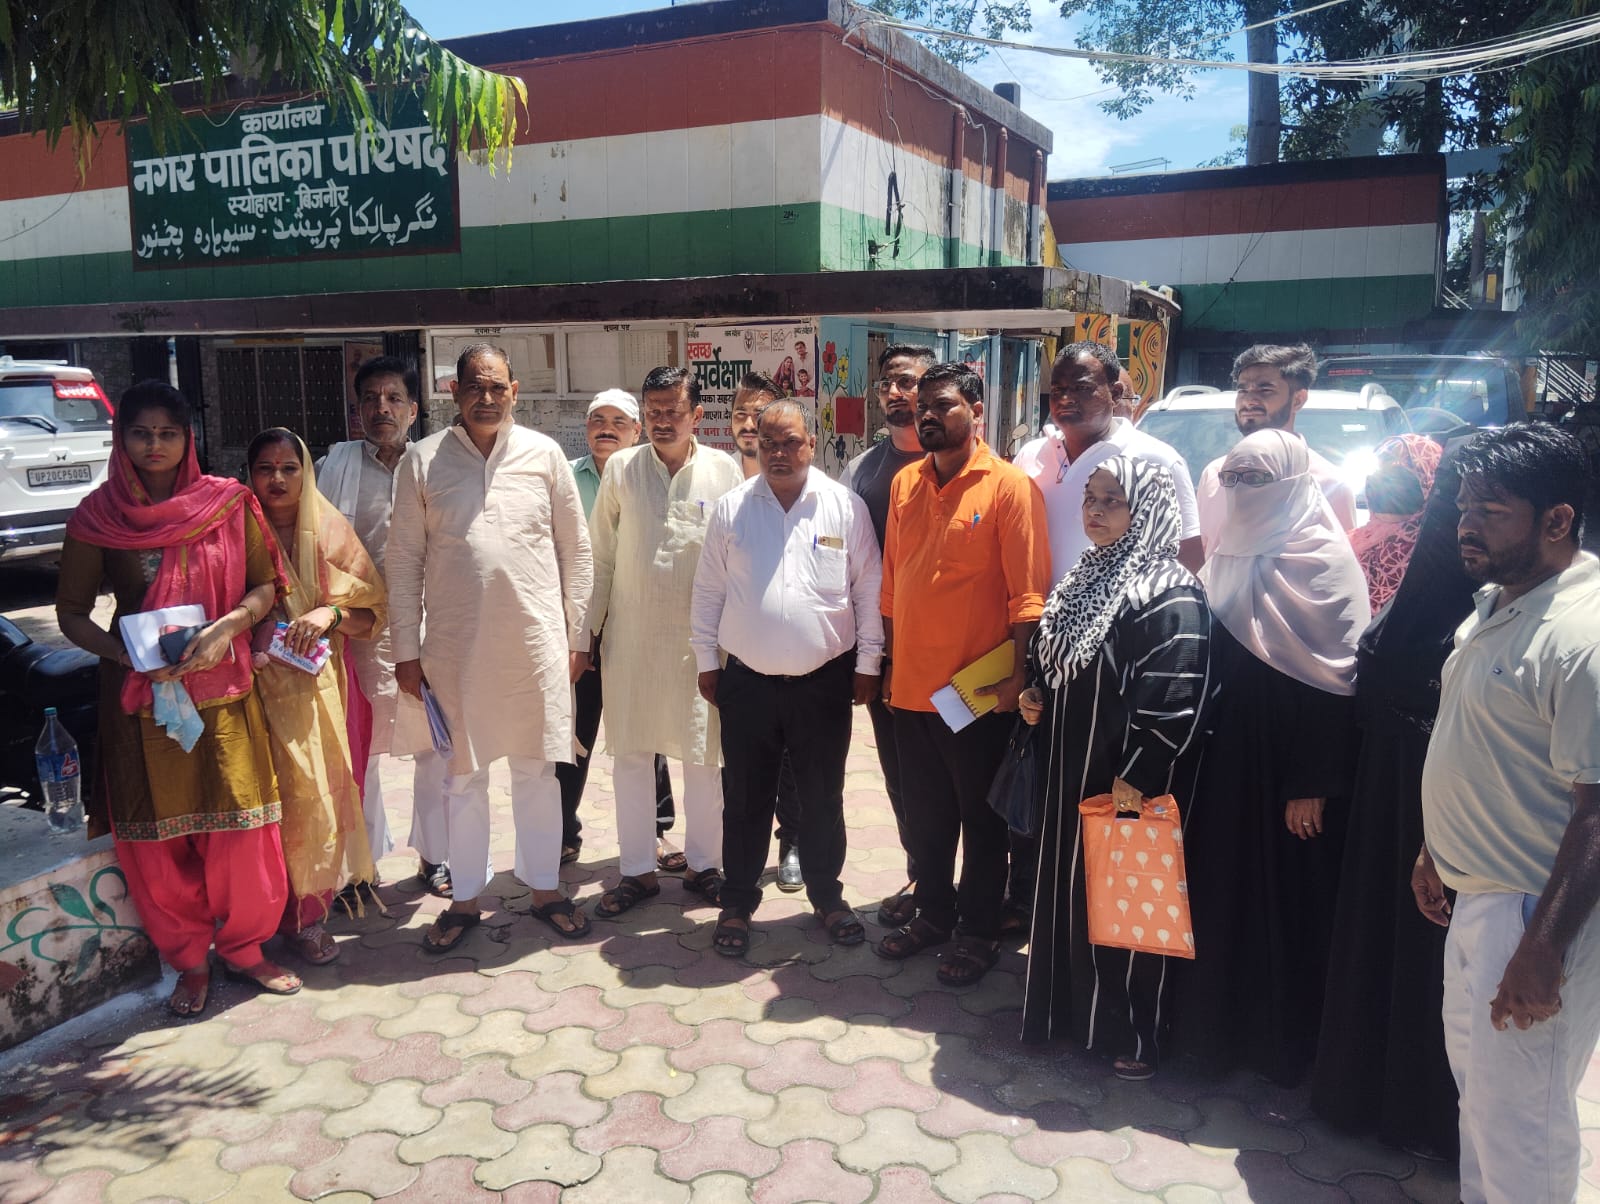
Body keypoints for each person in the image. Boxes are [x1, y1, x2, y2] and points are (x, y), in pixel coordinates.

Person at [56, 381, 299, 1016]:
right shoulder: (98, 516)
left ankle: (245, 949)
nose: (154, 445)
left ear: (187, 439)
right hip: (141, 696)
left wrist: (227, 628)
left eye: (167, 433)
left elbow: (265, 588)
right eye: (141, 433)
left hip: (224, 689)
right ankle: (189, 962)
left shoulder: (227, 503)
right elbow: (72, 613)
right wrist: (125, 655)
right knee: (157, 837)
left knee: (241, 825)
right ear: (121, 439)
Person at [1413, 424, 1600, 1203]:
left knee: (1523, 1123)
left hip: (1534, 913)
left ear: (1556, 520)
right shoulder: (1501, 600)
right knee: (1485, 1108)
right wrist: (1436, 848)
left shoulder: (1581, 637)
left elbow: (1597, 814)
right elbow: (1483, 744)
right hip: (1480, 901)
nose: (1466, 526)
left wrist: (1542, 947)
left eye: (1491, 512)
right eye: (1463, 506)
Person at [1176, 428, 1371, 1085]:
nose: (1240, 491)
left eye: (1257, 479)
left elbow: (1339, 685)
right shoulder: (1226, 555)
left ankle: (1278, 1045)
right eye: (1232, 478)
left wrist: (1313, 781)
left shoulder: (1324, 561)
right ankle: (1212, 1034)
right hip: (1226, 763)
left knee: (1285, 903)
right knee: (1221, 891)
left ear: (1293, 483)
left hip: (1292, 776)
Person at [387, 344, 594, 951]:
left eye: (497, 387)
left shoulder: (543, 454)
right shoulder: (422, 460)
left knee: (538, 771)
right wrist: (406, 651)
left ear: (515, 390)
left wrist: (578, 636)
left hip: (536, 646)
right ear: (454, 391)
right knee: (463, 777)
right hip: (456, 650)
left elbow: (575, 550)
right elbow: (404, 561)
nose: (487, 398)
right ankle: (465, 899)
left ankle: (545, 889)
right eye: (475, 387)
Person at [1018, 456, 1215, 1079]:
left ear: (1148, 508)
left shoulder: (1169, 590)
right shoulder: (1085, 573)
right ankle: (1067, 1014)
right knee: (1071, 895)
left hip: (1126, 784)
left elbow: (1176, 702)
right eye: (1090, 499)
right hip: (1068, 775)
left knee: (1126, 902)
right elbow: (1055, 662)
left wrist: (1132, 791)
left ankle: (1133, 1035)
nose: (1096, 511)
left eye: (1113, 500)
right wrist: (1035, 695)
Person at [1310, 443, 1474, 1157]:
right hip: (1385, 801)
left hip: (1442, 811)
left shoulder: (1484, 611)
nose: (1469, 526)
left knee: (1428, 961)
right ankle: (1368, 1096)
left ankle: (1423, 1115)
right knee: (1383, 946)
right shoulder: (1424, 588)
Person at [877, 363, 1050, 985]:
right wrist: (891, 665)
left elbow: (1028, 596)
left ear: (976, 410)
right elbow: (891, 587)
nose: (926, 414)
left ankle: (978, 932)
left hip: (976, 694)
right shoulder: (905, 484)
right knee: (925, 818)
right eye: (921, 404)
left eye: (942, 404)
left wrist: (1017, 678)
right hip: (912, 690)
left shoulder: (1008, 486)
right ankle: (933, 914)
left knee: (981, 821)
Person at [691, 401, 883, 955]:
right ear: (755, 444)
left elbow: (868, 589)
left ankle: (827, 897)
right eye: (768, 442)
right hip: (747, 683)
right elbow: (708, 590)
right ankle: (737, 902)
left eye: (790, 442)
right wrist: (706, 660)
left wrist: (868, 664)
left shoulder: (843, 506)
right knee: (744, 797)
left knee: (823, 796)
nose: (779, 453)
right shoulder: (732, 508)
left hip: (824, 682)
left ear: (812, 444)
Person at [588, 365, 743, 917]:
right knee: (631, 754)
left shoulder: (724, 471)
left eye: (672, 411)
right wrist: (586, 635)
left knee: (703, 755)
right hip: (631, 641)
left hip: (701, 645)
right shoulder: (622, 469)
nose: (661, 421)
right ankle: (636, 872)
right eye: (652, 411)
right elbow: (600, 557)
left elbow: (736, 559)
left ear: (696, 414)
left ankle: (705, 867)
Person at [246, 429, 385, 965]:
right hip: (248, 689)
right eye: (265, 469)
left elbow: (373, 615)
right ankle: (256, 919)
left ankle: (308, 918)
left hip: (320, 692)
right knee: (263, 804)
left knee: (317, 804)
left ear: (307, 472)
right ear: (249, 475)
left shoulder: (330, 530)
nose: (278, 479)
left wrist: (330, 613)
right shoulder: (235, 533)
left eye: (289, 468)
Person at [316, 355, 452, 899]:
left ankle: (436, 857)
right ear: (357, 410)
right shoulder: (334, 468)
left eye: (394, 398)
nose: (382, 408)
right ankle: (362, 866)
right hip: (360, 631)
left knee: (434, 747)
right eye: (370, 399)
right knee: (361, 749)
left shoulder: (438, 466)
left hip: (430, 626)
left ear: (414, 410)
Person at [562, 388, 679, 873]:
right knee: (575, 732)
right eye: (597, 420)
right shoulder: (565, 476)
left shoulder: (649, 474)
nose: (605, 429)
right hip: (581, 627)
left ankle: (656, 831)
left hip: (638, 625)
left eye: (617, 422)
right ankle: (563, 831)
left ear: (636, 431)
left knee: (646, 730)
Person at [841, 343, 935, 927]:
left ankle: (982, 889)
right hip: (888, 657)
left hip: (959, 657)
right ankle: (923, 876)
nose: (897, 393)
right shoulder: (861, 473)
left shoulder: (968, 465)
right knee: (901, 776)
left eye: (909, 382)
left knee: (961, 779)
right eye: (888, 384)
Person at [1012, 343, 1203, 578]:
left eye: (1081, 388)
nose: (1065, 398)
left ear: (1115, 393)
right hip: (1036, 603)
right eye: (1057, 389)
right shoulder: (1029, 455)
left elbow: (1188, 554)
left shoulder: (1156, 460)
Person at [727, 372, 808, 893]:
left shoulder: (814, 490)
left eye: (759, 414)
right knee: (740, 768)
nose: (749, 424)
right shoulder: (717, 479)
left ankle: (792, 842)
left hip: (799, 660)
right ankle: (739, 860)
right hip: (735, 653)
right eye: (741, 414)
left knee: (794, 764)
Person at [1194, 344, 1360, 556]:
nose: (1249, 400)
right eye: (1242, 390)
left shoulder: (1331, 485)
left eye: (1265, 390)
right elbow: (1202, 557)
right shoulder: (1214, 475)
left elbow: (1341, 567)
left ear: (1298, 400)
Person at [1348, 433, 1444, 613]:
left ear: (1429, 480)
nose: (1388, 478)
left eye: (1406, 467)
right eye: (1384, 464)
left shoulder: (1436, 556)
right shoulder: (1352, 542)